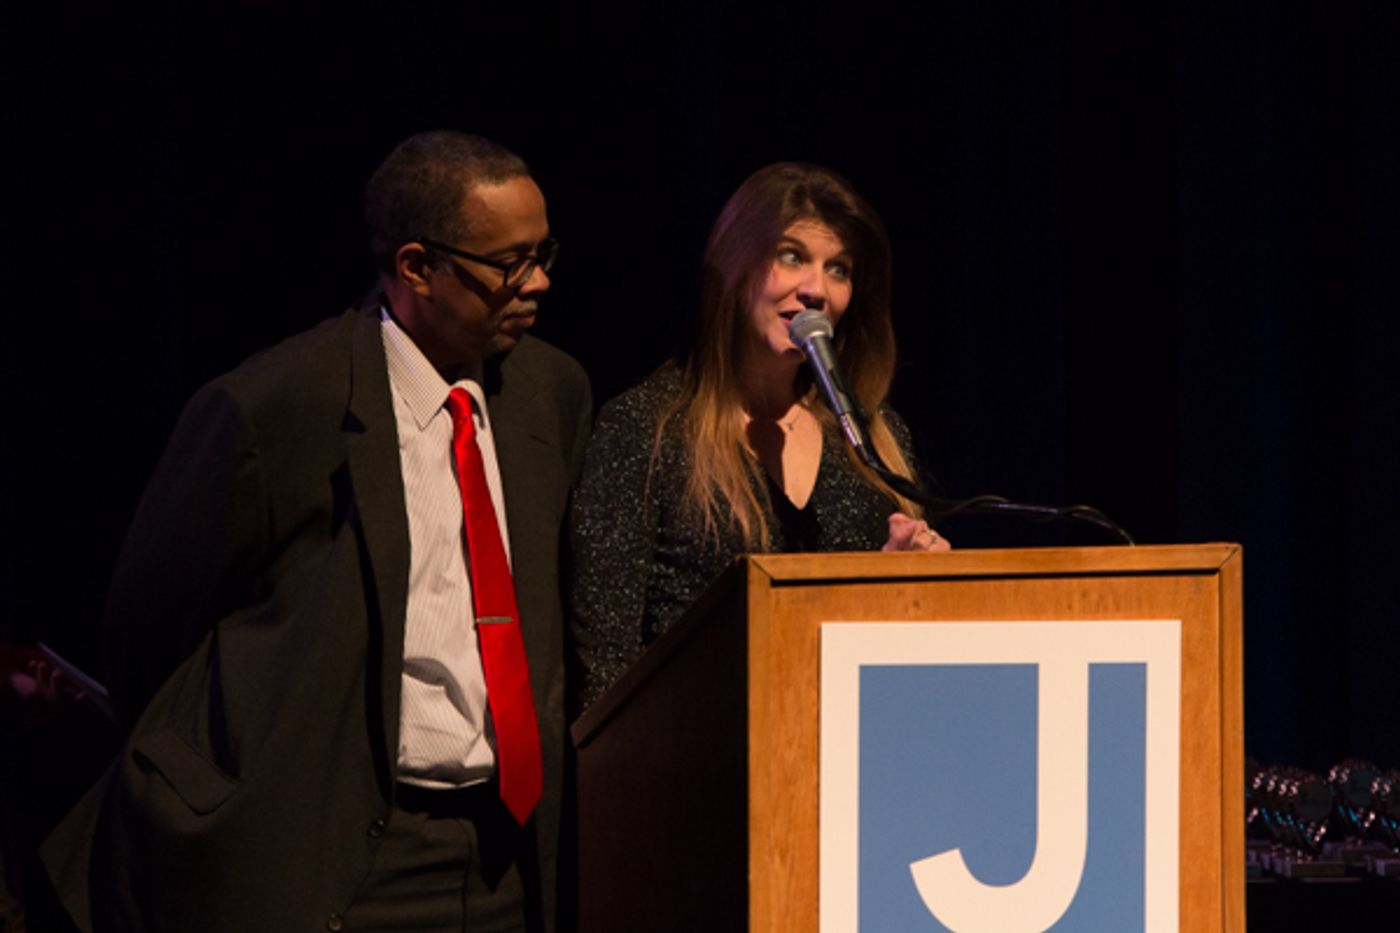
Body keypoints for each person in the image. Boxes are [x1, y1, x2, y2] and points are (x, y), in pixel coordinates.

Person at [40, 131, 592, 932]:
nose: (537, 281)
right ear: (416, 267)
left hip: (503, 854)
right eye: (508, 262)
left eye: (543, 252)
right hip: (343, 853)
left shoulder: (549, 392)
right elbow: (150, 629)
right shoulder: (276, 407)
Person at [570, 162, 947, 710]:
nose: (816, 289)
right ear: (735, 266)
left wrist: (907, 587)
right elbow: (605, 666)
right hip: (695, 766)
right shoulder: (648, 428)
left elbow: (893, 651)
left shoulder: (871, 440)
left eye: (838, 269)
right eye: (791, 257)